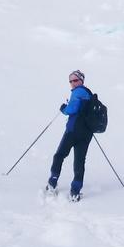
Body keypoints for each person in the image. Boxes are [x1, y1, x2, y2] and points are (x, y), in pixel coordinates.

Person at [46, 70, 93, 200]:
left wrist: (63, 109)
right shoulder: (88, 94)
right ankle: (75, 191)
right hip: (86, 133)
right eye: (70, 81)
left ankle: (52, 182)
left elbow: (71, 109)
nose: (72, 83)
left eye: (75, 80)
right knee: (79, 161)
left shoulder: (78, 92)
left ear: (81, 81)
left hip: (73, 131)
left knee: (59, 155)